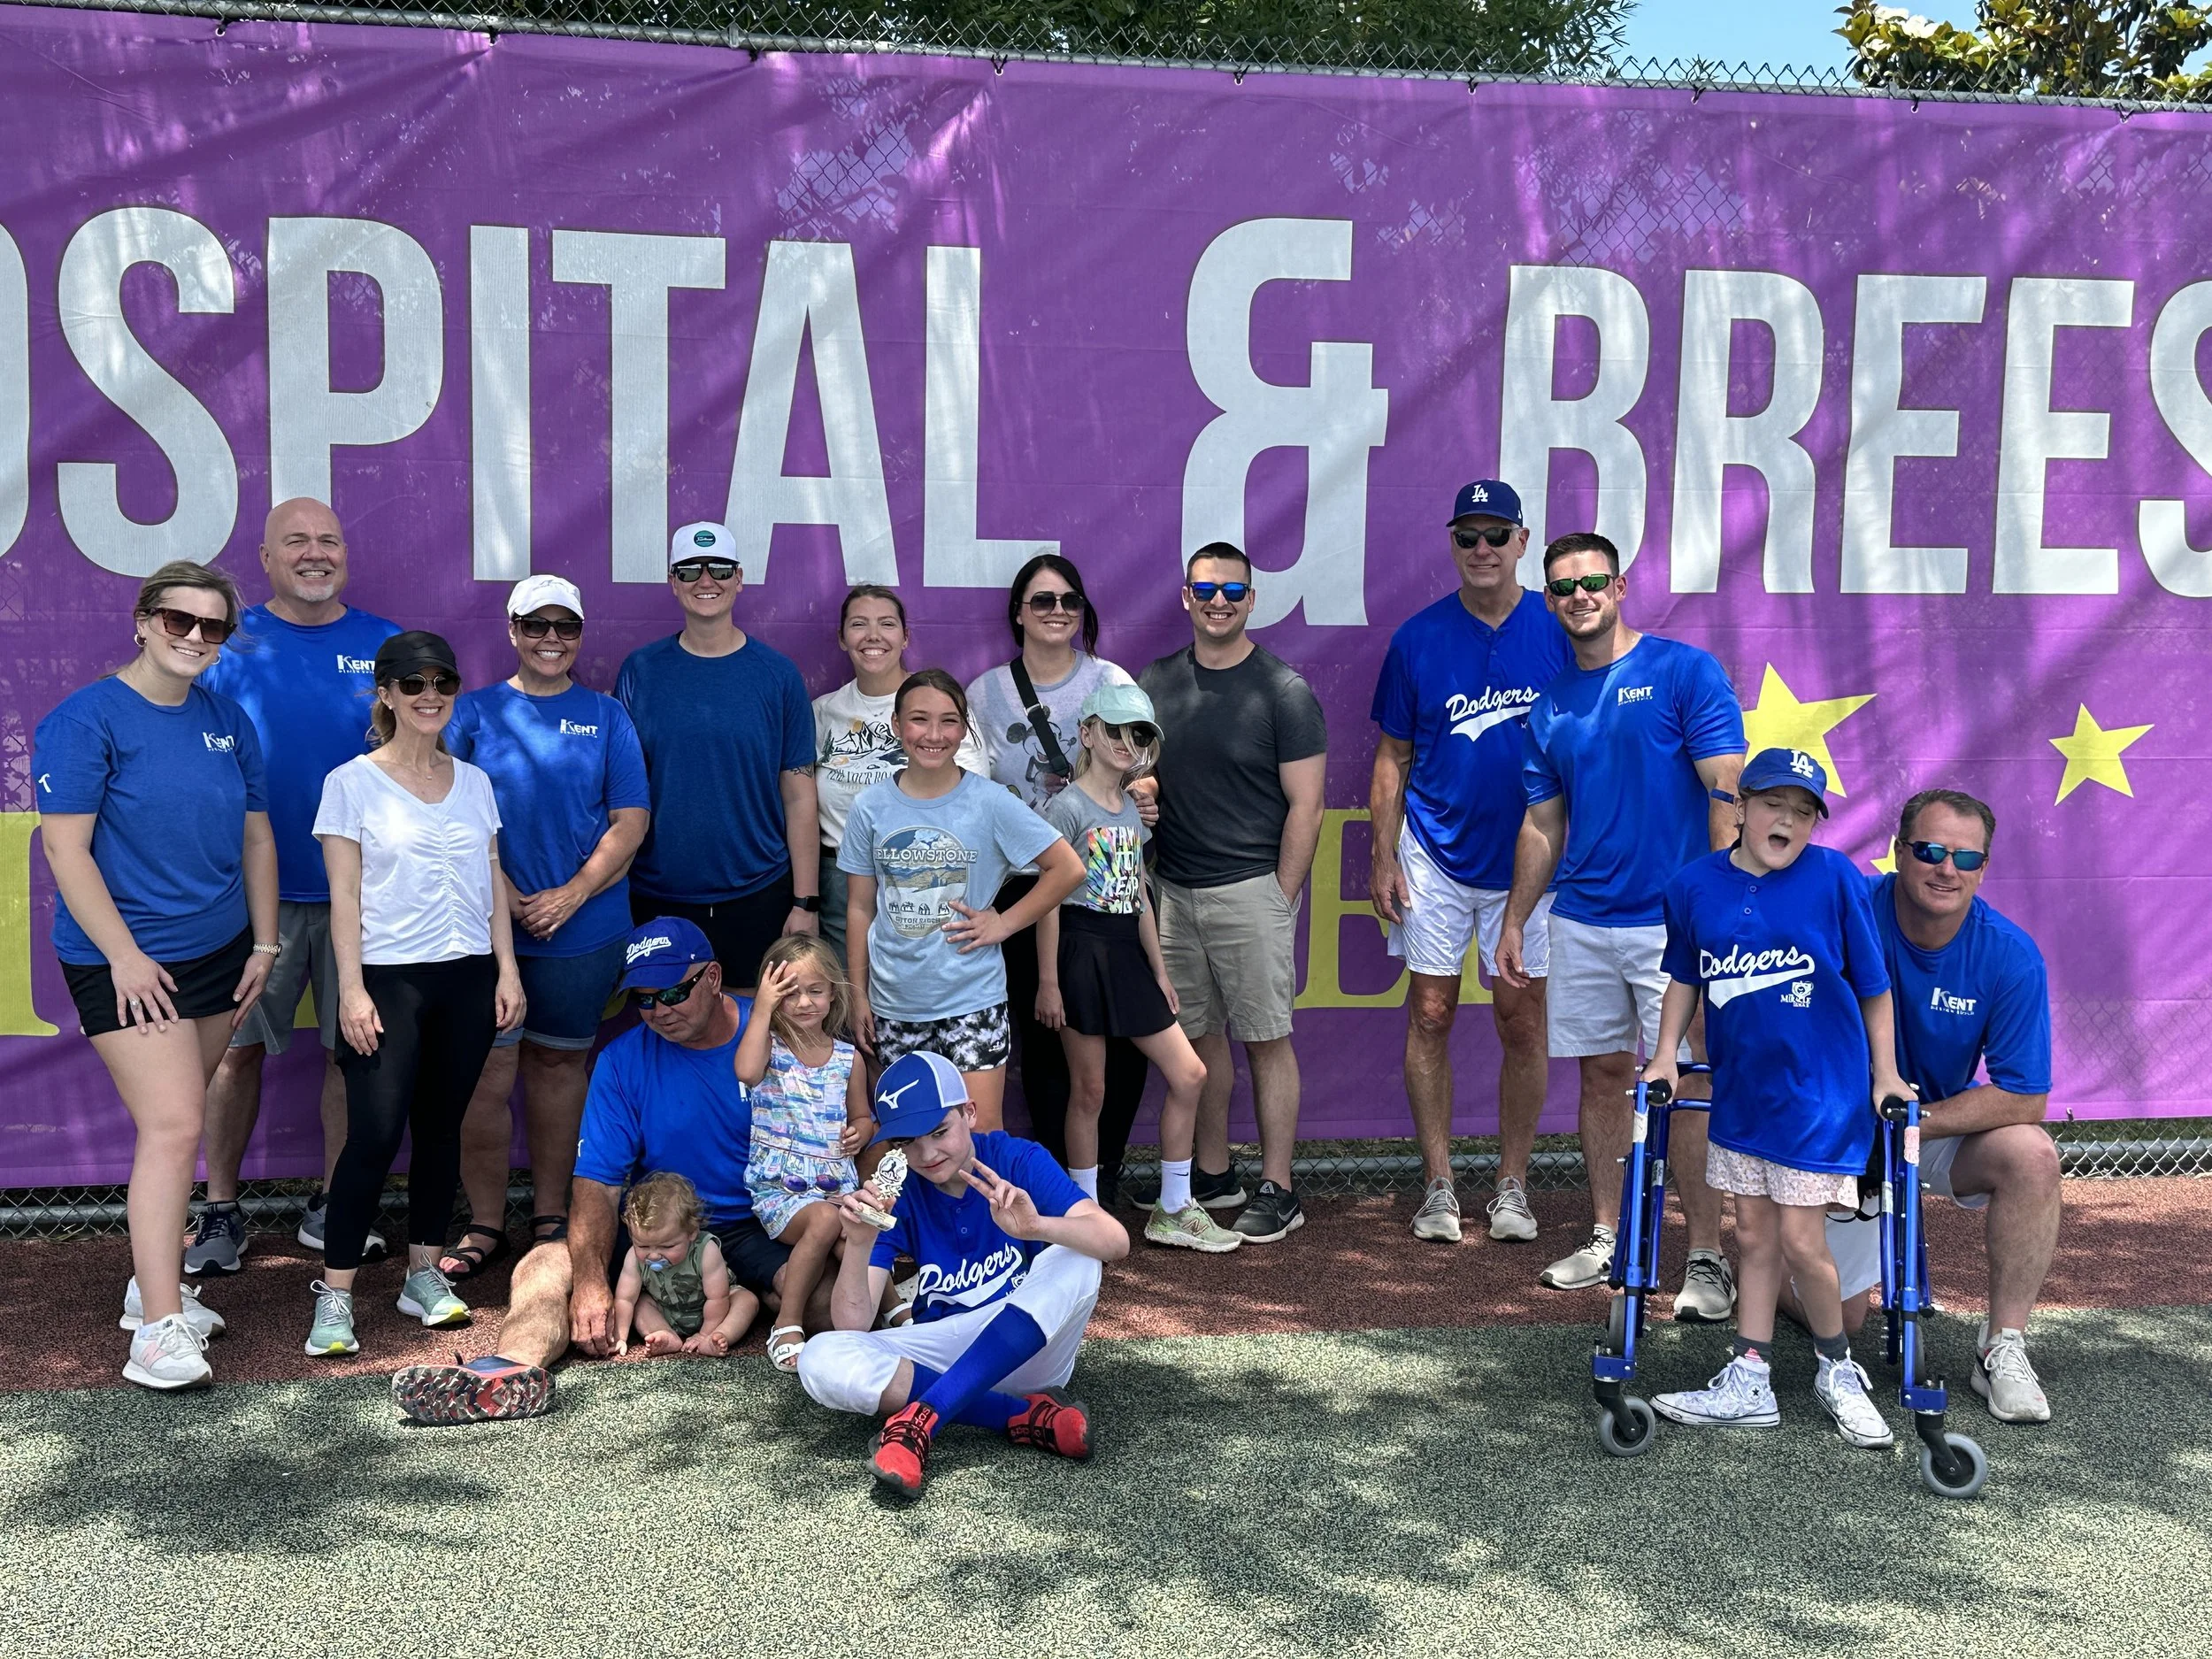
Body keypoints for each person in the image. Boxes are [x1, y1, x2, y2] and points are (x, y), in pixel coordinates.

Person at [388, 921, 817, 1425]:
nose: (661, 1010)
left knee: (827, 1299)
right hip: (660, 1228)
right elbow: (597, 1181)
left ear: (715, 977)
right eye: (645, 999)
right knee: (544, 1266)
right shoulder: (621, 1059)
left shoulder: (778, 1035)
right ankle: (501, 1377)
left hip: (757, 1225)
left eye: (674, 992)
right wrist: (592, 1280)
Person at [34, 561, 277, 1388]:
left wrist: (266, 945)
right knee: (175, 1128)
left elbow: (254, 838)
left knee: (179, 1123)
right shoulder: (86, 718)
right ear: (142, 620)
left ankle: (153, 1284)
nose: (196, 638)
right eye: (180, 620)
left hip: (219, 955)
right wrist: (126, 955)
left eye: (213, 628)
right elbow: (66, 849)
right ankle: (159, 1332)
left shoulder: (227, 719)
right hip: (123, 960)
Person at [1498, 531, 1746, 1320]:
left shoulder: (1682, 671)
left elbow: (1727, 789)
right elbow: (1542, 824)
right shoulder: (1549, 708)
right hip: (1581, 922)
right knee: (1603, 1077)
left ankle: (1706, 1257)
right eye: (1563, 587)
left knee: (1691, 1084)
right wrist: (1515, 918)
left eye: (1592, 581)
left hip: (1673, 930)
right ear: (1549, 600)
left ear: (1622, 585)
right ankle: (1610, 1235)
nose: (1579, 596)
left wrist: (1718, 908)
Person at [1641, 750, 1910, 1448]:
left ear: (1817, 821)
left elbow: (1874, 986)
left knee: (1798, 1237)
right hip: (1744, 1095)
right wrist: (1667, 1052)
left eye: (1803, 809)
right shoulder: (1695, 886)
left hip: (1821, 1098)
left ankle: (1836, 1367)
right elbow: (1683, 978)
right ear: (1741, 807)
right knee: (1754, 1237)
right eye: (1773, 803)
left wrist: (1885, 1073)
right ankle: (1750, 1376)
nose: (1786, 818)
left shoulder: (1835, 878)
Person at [1783, 787, 2059, 1424]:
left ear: (1984, 869)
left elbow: (2025, 1093)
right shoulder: (1849, 911)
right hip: (1834, 1131)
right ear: (1898, 851)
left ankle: (2002, 1346)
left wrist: (1916, 1120)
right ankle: (1763, 1272)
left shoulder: (2010, 955)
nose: (1947, 869)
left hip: (1922, 1127)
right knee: (1845, 1318)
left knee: (2032, 1154)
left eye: (1966, 858)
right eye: (1931, 850)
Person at [190, 497, 400, 1274]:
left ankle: (332, 1203)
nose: (316, 553)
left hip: (362, 897)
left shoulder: (384, 644)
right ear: (266, 557)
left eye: (329, 540)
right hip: (251, 899)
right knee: (232, 1054)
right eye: (297, 542)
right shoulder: (225, 646)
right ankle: (218, 1211)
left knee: (354, 1052)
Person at [305, 631, 525, 1356]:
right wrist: (351, 991)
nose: (430, 695)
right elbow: (343, 894)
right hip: (387, 981)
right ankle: (335, 1296)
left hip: (466, 977)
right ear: (386, 694)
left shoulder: (476, 781)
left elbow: (492, 877)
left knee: (440, 1131)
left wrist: (507, 969)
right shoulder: (351, 782)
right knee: (372, 1134)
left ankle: (422, 1274)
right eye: (413, 683)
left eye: (443, 682)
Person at [1368, 480, 1573, 1247]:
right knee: (1431, 1011)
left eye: (1497, 534)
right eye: (1468, 536)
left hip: (1532, 862)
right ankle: (1439, 1183)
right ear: (1452, 545)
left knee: (1521, 1020)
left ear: (1523, 542)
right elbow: (1393, 752)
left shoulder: (1562, 631)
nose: (1482, 549)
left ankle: (1513, 1182)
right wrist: (1383, 852)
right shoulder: (1419, 638)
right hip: (1436, 853)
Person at [798, 1051, 1130, 1500]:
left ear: (969, 1113)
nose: (927, 1153)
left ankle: (926, 1416)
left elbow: (1116, 1240)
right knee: (820, 1357)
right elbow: (853, 1325)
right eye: (909, 1143)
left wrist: (1038, 1228)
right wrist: (857, 1245)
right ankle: (1018, 1416)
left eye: (939, 1132)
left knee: (1079, 1256)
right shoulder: (896, 1195)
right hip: (945, 1350)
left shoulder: (1016, 1158)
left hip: (1026, 1348)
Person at [440, 574, 649, 1282]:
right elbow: (451, 819)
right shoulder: (471, 713)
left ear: (581, 634)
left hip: (584, 930)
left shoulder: (607, 716)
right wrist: (509, 896)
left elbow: (630, 821)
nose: (551, 639)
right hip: (484, 929)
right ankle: (485, 1220)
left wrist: (571, 893)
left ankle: (552, 1214)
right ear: (512, 630)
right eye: (537, 626)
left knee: (559, 1067)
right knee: (484, 1075)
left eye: (566, 627)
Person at [1140, 543, 1327, 1244]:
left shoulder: (1283, 691)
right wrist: (1145, 794)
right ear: (1185, 596)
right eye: (1206, 588)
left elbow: (1305, 806)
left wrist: (1279, 895)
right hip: (1172, 891)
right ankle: (1213, 1175)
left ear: (1252, 599)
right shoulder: (1154, 682)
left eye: (1233, 590)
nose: (1219, 601)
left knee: (1266, 1040)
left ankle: (1279, 1187)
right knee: (1195, 1038)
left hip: (1251, 889)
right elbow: (1136, 769)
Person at [964, 555, 1151, 1195]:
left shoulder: (1110, 678)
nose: (1057, 612)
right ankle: (1055, 1184)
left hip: (1103, 886)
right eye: (1042, 600)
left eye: (1069, 600)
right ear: (1018, 611)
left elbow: (1141, 765)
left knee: (1121, 1038)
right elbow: (970, 789)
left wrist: (1146, 786)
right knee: (1044, 1037)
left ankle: (1106, 1170)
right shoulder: (983, 692)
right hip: (1023, 883)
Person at [841, 671, 1084, 1132]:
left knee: (980, 1136)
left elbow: (1067, 868)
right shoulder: (870, 807)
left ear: (965, 728)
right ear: (896, 725)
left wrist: (1005, 923)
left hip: (971, 1001)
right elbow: (859, 908)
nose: (934, 735)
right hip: (895, 1003)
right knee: (911, 1138)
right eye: (919, 720)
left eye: (949, 721)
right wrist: (859, 996)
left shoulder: (990, 801)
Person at [1036, 686, 1234, 1251]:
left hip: (1128, 955)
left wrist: (1161, 971)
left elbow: (1140, 895)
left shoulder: (1130, 808)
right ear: (1089, 733)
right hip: (1080, 952)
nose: (1129, 743)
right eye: (1118, 730)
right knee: (1090, 1091)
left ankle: (1174, 1207)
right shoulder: (1067, 807)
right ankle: (1084, 1216)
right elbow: (1049, 900)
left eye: (1140, 734)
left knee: (1190, 1074)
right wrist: (1048, 981)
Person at [615, 522, 819, 989]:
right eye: (690, 570)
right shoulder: (640, 671)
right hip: (658, 893)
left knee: (751, 1032)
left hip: (757, 893)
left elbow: (800, 797)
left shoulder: (777, 675)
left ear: (740, 578)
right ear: (673, 582)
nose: (706, 581)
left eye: (720, 569)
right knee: (667, 1024)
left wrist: (805, 903)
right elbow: (621, 789)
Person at [813, 584, 986, 961]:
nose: (873, 636)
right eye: (859, 624)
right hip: (840, 880)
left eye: (887, 624)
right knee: (850, 1002)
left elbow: (973, 799)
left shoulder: (941, 705)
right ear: (842, 639)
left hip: (923, 875)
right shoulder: (822, 712)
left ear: (905, 637)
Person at [734, 933, 872, 1372]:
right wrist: (761, 1008)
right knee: (829, 1219)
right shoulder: (770, 1048)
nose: (805, 1003)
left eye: (816, 991)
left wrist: (862, 1133)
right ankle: (787, 1323)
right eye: (790, 992)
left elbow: (863, 1116)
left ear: (834, 993)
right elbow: (746, 1072)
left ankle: (887, 1312)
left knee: (860, 1225)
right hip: (781, 1189)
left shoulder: (849, 1057)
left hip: (836, 1182)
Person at [612, 1171, 757, 1357]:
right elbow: (625, 1299)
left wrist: (704, 1334)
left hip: (715, 1309)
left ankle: (718, 1336)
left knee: (747, 1300)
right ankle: (664, 1333)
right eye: (643, 1245)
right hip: (667, 1309)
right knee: (640, 1304)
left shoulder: (706, 1251)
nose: (654, 1255)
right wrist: (620, 1337)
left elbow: (717, 1298)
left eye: (668, 1246)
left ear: (692, 1233)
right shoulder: (633, 1256)